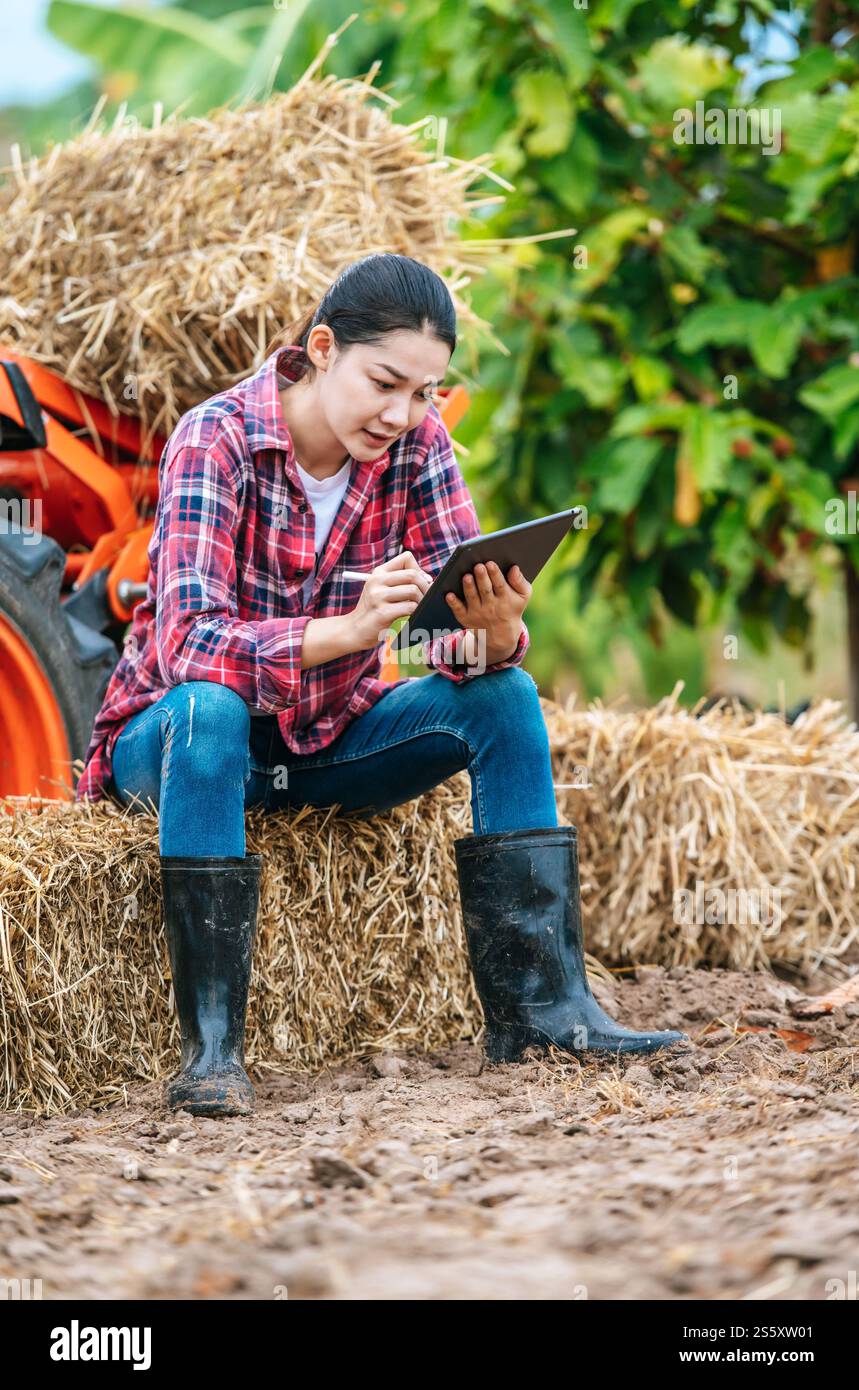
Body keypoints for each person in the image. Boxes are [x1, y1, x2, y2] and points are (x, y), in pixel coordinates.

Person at [75, 253, 684, 1116]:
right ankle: (210, 1054)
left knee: (504, 699)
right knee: (211, 708)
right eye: (386, 383)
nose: (404, 414)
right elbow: (186, 646)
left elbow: (449, 648)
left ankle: (545, 1013)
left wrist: (496, 631)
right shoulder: (215, 439)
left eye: (426, 393)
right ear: (323, 348)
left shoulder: (418, 448)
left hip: (325, 741)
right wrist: (350, 633)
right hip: (177, 749)